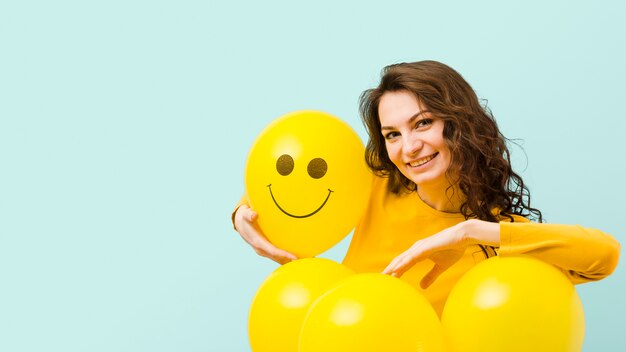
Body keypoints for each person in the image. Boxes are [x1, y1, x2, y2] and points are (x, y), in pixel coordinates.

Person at [232, 60, 620, 316]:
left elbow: (604, 255)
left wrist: (469, 232)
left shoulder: (497, 239)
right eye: (392, 134)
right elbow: (286, 188)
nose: (409, 147)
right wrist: (240, 217)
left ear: (460, 122)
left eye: (422, 123)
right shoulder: (375, 185)